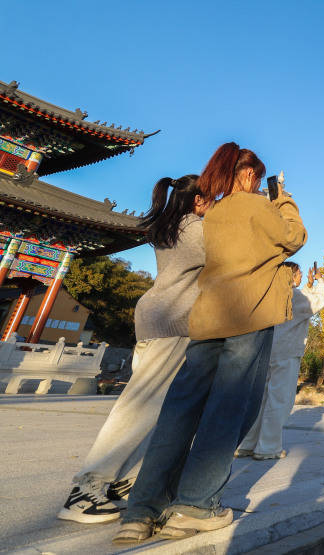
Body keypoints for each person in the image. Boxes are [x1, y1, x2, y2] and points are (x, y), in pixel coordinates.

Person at [115, 143, 306, 544]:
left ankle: (141, 511)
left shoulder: (211, 213)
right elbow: (295, 237)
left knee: (180, 410)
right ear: (249, 175)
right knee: (230, 409)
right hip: (248, 315)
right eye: (257, 177)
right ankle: (194, 506)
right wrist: (283, 198)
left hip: (206, 320)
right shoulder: (257, 206)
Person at [58, 176, 208, 524]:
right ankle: (85, 489)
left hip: (156, 318)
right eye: (212, 198)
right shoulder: (195, 229)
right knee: (139, 407)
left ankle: (117, 482)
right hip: (171, 322)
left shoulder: (170, 225)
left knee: (154, 408)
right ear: (199, 201)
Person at [236, 262, 324, 460]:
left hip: (267, 351)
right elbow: (318, 301)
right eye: (299, 273)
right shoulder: (293, 295)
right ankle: (268, 448)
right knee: (279, 400)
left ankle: (246, 444)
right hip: (286, 353)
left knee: (260, 400)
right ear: (291, 276)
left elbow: (301, 302)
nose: (302, 276)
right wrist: (320, 281)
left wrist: (308, 286)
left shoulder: (273, 293)